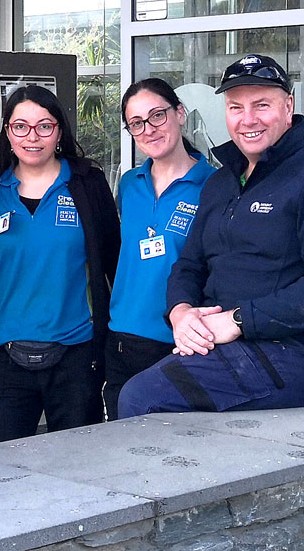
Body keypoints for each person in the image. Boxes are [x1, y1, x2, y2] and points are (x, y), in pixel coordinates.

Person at [118, 54, 304, 418]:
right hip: (223, 343)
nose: (247, 119)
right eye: (236, 107)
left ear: (288, 107)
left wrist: (237, 321)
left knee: (143, 398)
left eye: (261, 105)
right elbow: (189, 264)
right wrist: (181, 311)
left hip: (300, 353)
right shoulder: (222, 181)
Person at [0, 85, 120, 442]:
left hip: (76, 353)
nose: (32, 137)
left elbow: (113, 262)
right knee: (10, 471)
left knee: (78, 468)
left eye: (44, 126)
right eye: (20, 126)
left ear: (59, 131)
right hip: (6, 357)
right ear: (7, 132)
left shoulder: (86, 183)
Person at [103, 78, 215, 420]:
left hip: (178, 339)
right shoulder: (129, 184)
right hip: (121, 336)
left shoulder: (213, 186)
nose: (148, 129)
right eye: (136, 123)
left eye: (157, 116)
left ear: (180, 114)